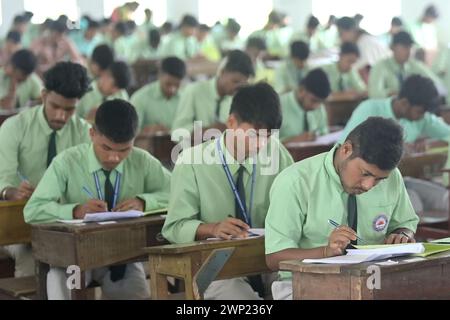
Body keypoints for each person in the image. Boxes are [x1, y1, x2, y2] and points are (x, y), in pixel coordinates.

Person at [24, 99, 171, 300]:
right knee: (59, 280)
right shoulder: (66, 162)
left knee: (137, 294)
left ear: (134, 141)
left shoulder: (142, 160)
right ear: (92, 134)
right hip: (74, 257)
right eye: (106, 148)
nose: (114, 158)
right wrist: (74, 211)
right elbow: (32, 210)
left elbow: (177, 194)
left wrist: (145, 202)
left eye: (123, 150)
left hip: (123, 257)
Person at [163, 82, 294, 300]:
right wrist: (212, 228)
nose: (262, 145)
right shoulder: (192, 162)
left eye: (268, 136)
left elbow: (295, 209)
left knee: (299, 290)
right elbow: (174, 227)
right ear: (231, 122)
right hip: (215, 267)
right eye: (255, 135)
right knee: (241, 300)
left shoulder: (278, 154)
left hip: (269, 259)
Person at [266, 117, 419, 300]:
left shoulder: (392, 177)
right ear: (346, 149)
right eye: (365, 174)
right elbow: (275, 258)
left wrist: (403, 234)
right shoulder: (295, 182)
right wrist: (325, 252)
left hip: (372, 283)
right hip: (304, 285)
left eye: (379, 179)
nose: (369, 185)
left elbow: (404, 223)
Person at [0, 62, 91, 278]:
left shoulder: (84, 133)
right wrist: (11, 192)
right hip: (19, 222)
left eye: (69, 109)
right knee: (30, 255)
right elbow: (2, 178)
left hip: (64, 221)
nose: (61, 115)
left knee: (86, 254)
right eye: (55, 106)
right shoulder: (15, 127)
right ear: (43, 95)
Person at [172, 50, 254, 135]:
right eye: (235, 81)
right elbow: (177, 131)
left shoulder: (236, 99)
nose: (236, 88)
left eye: (242, 85)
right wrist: (208, 131)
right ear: (222, 72)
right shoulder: (193, 91)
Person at [369, 31, 442, 99]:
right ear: (392, 47)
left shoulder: (414, 65)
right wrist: (393, 94)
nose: (409, 51)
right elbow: (374, 94)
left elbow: (437, 84)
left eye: (410, 47)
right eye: (405, 47)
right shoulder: (381, 67)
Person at [132, 57, 186, 134]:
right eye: (168, 84)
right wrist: (146, 131)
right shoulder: (140, 98)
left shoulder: (185, 97)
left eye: (177, 85)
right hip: (150, 144)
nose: (172, 89)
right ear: (160, 75)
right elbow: (131, 134)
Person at [279, 69, 331, 143]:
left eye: (321, 102)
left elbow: (324, 134)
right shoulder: (278, 106)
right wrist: (293, 141)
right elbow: (267, 147)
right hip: (286, 153)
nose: (316, 106)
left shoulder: (319, 107)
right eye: (314, 100)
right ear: (301, 90)